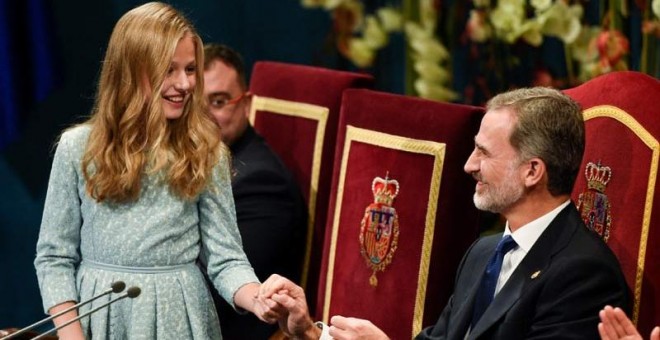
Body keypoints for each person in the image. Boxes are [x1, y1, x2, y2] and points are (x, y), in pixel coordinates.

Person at [259, 86, 631, 339]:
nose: (469, 165)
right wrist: (311, 330)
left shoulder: (584, 274)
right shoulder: (483, 253)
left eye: (484, 152)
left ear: (532, 171)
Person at [33, 3, 281, 339]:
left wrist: (259, 299)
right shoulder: (77, 147)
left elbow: (226, 260)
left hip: (179, 318)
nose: (184, 84)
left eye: (191, 69)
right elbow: (54, 256)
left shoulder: (207, 152)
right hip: (101, 318)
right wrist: (71, 334)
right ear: (132, 70)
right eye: (168, 69)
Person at [202, 43, 307, 339]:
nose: (204, 115)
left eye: (219, 101)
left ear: (246, 103)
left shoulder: (262, 184)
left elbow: (216, 288)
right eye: (195, 103)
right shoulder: (198, 162)